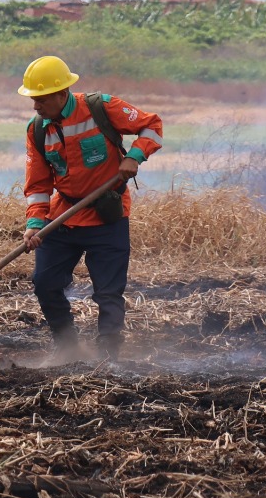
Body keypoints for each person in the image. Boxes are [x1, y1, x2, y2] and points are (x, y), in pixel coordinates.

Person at [19, 55, 163, 359]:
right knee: (44, 284)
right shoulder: (37, 130)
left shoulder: (102, 107)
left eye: (40, 99)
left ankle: (108, 357)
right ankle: (67, 347)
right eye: (33, 99)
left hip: (107, 216)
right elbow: (38, 185)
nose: (35, 106)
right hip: (63, 218)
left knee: (109, 294)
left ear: (61, 94)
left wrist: (134, 156)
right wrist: (34, 224)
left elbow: (151, 126)